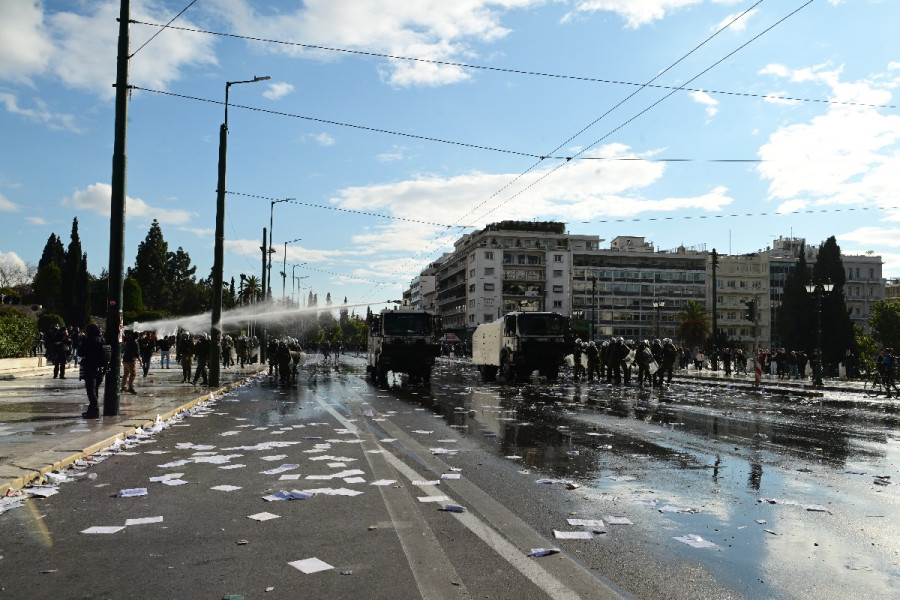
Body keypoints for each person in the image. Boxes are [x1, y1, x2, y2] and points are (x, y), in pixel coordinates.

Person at [78, 324, 109, 418]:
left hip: (90, 368)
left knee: (91, 391)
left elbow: (80, 353)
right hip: (101, 369)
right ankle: (91, 410)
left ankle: (95, 411)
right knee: (95, 391)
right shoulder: (103, 340)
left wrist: (83, 341)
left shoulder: (89, 341)